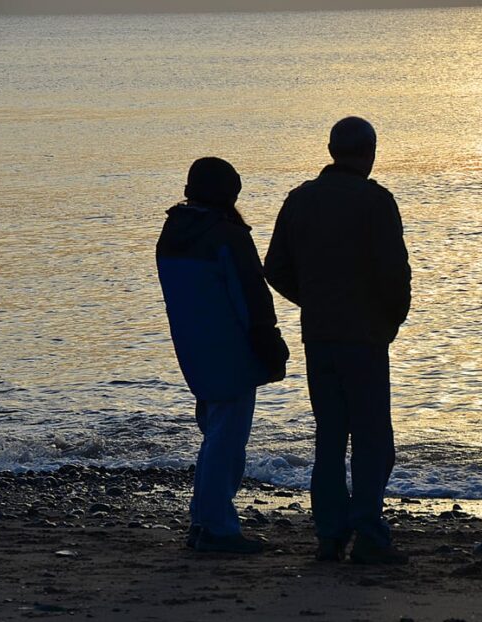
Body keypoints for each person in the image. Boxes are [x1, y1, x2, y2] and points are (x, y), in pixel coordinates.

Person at [264, 117, 411, 565]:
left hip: (320, 335)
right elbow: (395, 274)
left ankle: (330, 535)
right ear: (370, 151)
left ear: (331, 150)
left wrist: (313, 300)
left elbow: (274, 268)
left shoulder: (300, 200)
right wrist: (391, 320)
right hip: (364, 337)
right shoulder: (376, 201)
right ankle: (368, 533)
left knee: (330, 436)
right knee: (372, 439)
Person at [156, 157, 289, 554]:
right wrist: (270, 344)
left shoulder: (173, 231)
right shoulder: (226, 235)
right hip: (230, 349)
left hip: (193, 349)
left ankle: (205, 520)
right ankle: (216, 527)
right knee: (226, 441)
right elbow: (251, 297)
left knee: (217, 436)